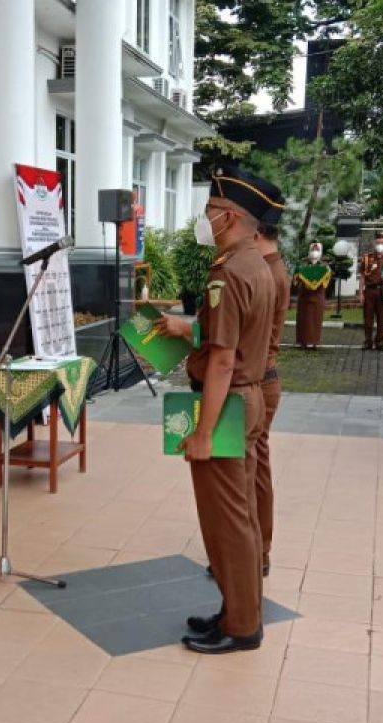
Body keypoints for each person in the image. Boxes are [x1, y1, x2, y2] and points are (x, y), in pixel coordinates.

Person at [152, 164, 279, 654]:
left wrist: (203, 432)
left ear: (228, 217)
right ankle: (235, 611)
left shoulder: (227, 274)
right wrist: (188, 331)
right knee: (239, 517)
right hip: (244, 400)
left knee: (228, 523)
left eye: (209, 211)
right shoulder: (256, 265)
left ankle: (243, 624)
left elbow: (224, 358)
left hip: (226, 402)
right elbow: (228, 338)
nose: (205, 220)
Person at [253, 215, 290, 577]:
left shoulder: (267, 273)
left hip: (258, 380)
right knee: (251, 467)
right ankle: (254, 549)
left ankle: (258, 550)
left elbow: (246, 338)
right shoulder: (270, 268)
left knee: (252, 469)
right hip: (262, 378)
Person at [359, 232, 383, 350]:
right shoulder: (367, 258)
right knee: (368, 318)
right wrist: (360, 293)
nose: (380, 244)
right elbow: (362, 277)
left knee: (382, 318)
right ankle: (368, 341)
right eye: (378, 242)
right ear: (374, 243)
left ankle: (379, 342)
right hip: (370, 290)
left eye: (382, 242)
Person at [292, 242, 329, 349]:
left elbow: (326, 280)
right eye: (313, 249)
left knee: (316, 318)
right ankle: (302, 341)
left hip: (318, 295)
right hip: (304, 295)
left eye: (317, 250)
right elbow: (296, 279)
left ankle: (314, 342)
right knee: (303, 318)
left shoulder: (324, 266)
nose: (314, 252)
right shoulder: (302, 264)